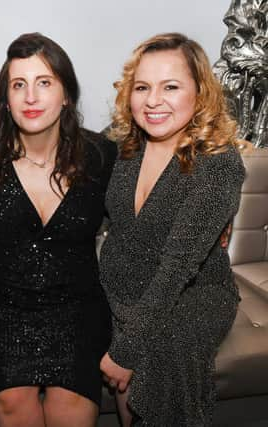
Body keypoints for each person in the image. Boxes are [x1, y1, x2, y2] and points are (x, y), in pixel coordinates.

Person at [0, 33, 116, 427]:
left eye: (44, 82)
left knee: (70, 412)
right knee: (14, 405)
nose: (31, 97)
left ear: (67, 94)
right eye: (19, 85)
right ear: (6, 99)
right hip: (4, 313)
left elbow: (148, 208)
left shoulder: (102, 155)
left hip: (77, 313)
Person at [99, 32, 245, 426]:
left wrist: (125, 350)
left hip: (192, 292)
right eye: (142, 87)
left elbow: (177, 269)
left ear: (200, 93)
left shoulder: (218, 164)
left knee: (161, 354)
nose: (152, 100)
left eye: (171, 87)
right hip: (123, 285)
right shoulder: (123, 146)